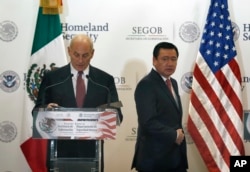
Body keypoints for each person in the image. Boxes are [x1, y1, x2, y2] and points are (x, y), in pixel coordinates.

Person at [34, 34, 123, 172]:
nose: (80, 60)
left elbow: (118, 115)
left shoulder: (105, 80)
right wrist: (46, 110)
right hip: (59, 152)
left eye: (85, 55)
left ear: (92, 54)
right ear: (69, 51)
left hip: (92, 154)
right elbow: (37, 110)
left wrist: (109, 114)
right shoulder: (52, 78)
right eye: (76, 54)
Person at [131, 42, 188, 172]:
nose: (169, 63)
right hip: (154, 160)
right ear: (154, 60)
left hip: (174, 158)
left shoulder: (172, 82)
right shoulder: (146, 85)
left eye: (173, 59)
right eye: (164, 59)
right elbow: (148, 122)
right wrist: (174, 135)